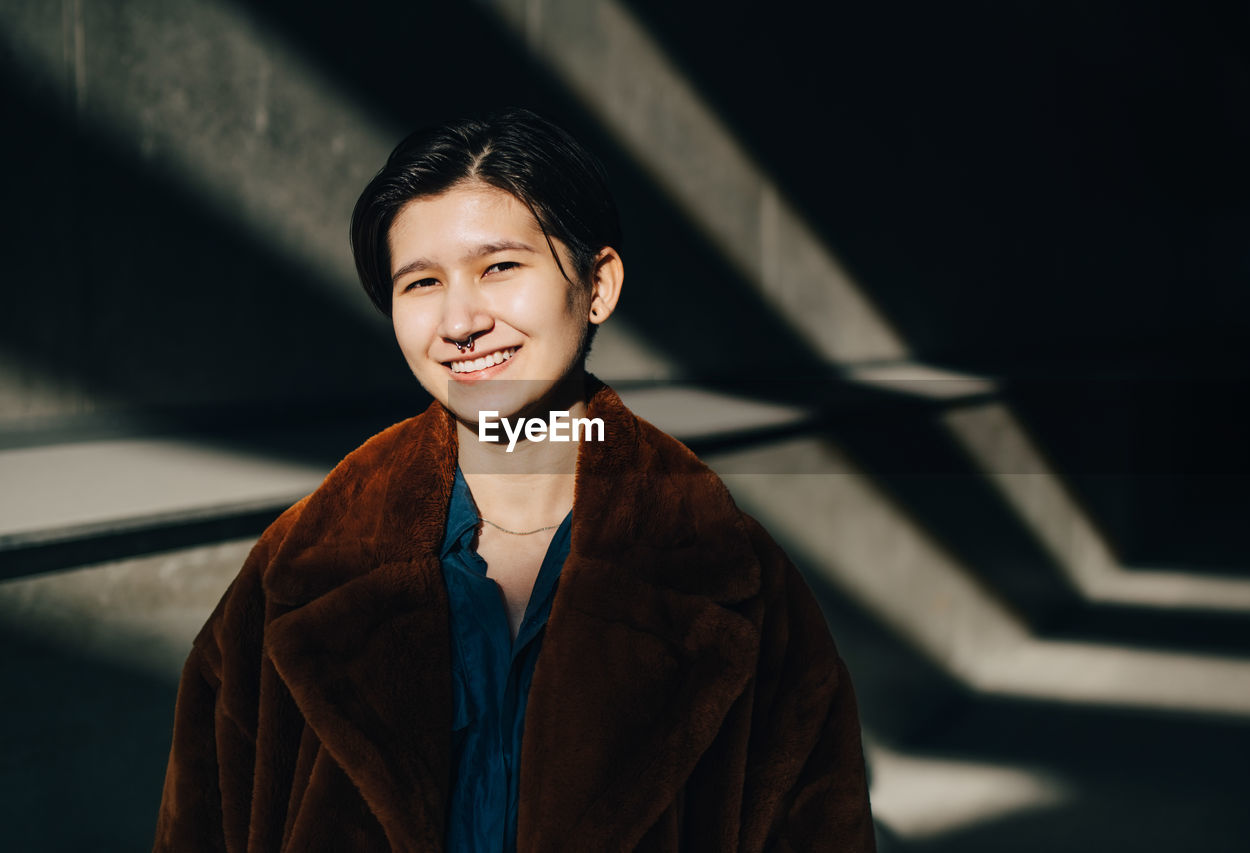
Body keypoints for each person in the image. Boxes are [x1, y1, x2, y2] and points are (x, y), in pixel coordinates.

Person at [153, 108, 875, 852]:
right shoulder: (297, 569)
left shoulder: (735, 578)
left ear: (598, 284)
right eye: (421, 282)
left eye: (499, 266)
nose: (460, 319)